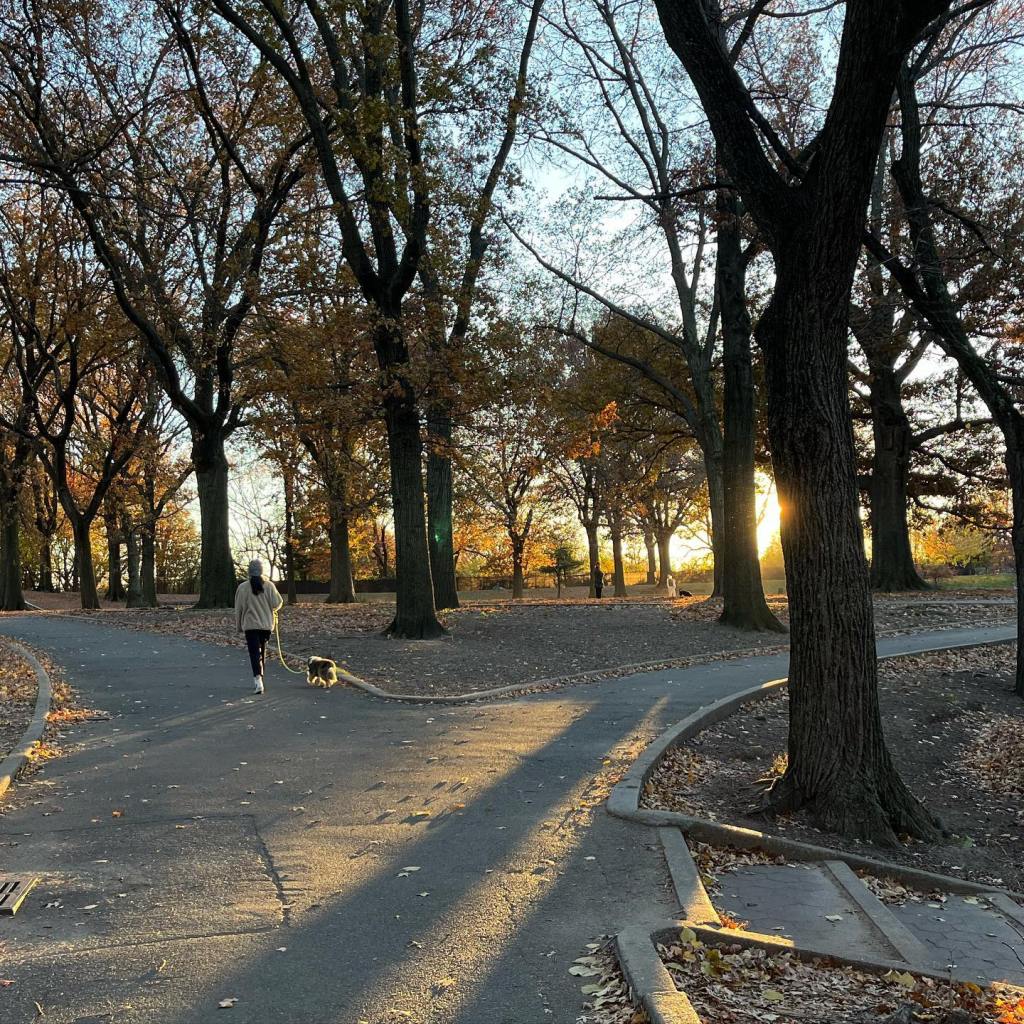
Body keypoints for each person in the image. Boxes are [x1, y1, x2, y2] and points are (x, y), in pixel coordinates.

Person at [234, 559, 283, 695]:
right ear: (262, 571)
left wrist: (238, 626)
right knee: (262, 651)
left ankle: (258, 679)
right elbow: (278, 603)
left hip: (250, 626)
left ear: (249, 572)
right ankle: (261, 678)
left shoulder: (242, 588)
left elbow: (238, 609)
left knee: (254, 653)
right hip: (266, 625)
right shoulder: (269, 586)